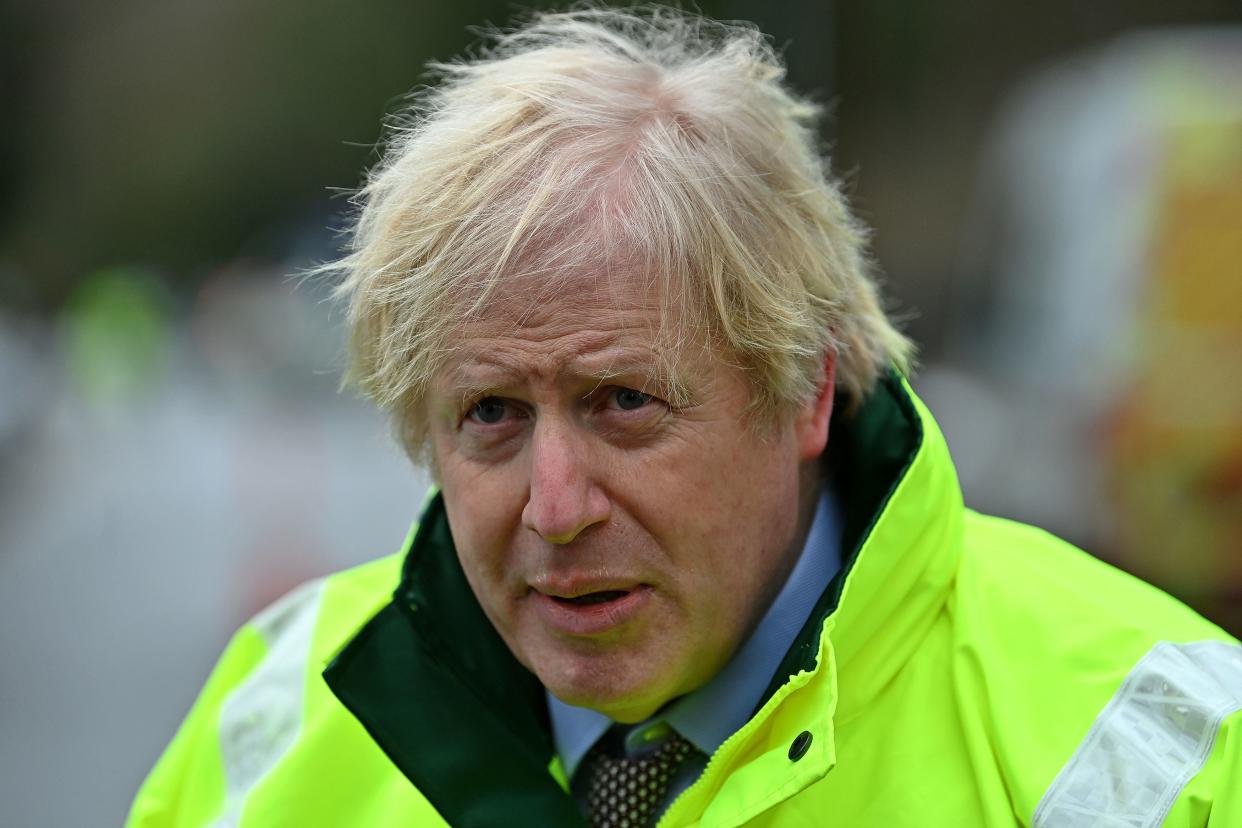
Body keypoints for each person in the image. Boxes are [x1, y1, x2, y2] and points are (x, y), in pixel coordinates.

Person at [127, 8, 1242, 827]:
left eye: (623, 403)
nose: (555, 510)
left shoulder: (1160, 757)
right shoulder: (276, 718)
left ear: (806, 390)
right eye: (492, 415)